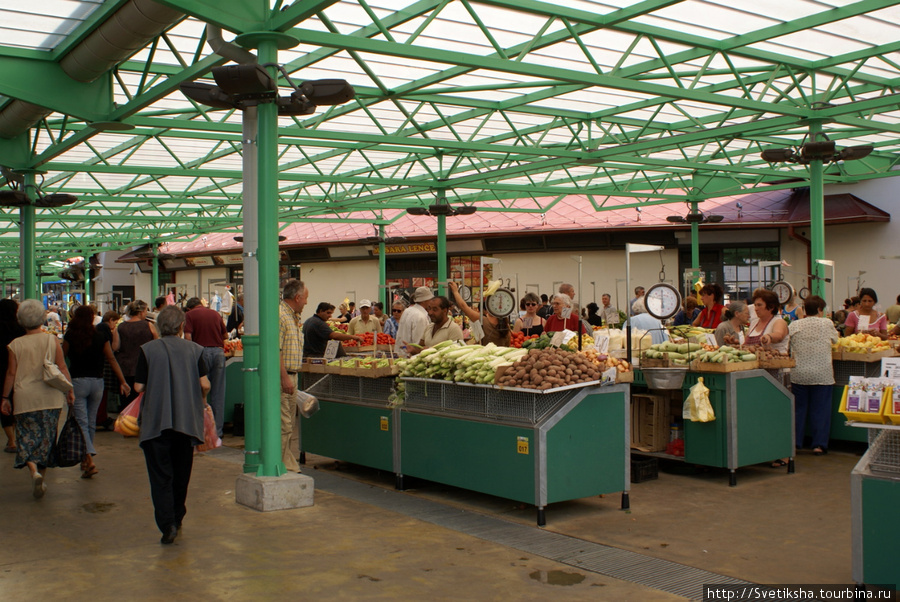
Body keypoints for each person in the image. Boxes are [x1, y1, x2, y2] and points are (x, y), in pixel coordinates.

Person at [134, 305, 210, 545]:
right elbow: (205, 384)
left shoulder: (147, 351)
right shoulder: (195, 350)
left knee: (160, 477)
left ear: (158, 326)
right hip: (185, 422)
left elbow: (138, 387)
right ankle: (177, 517)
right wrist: (202, 399)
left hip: (156, 423)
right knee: (181, 475)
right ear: (181, 327)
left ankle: (167, 524)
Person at [1, 299, 75, 499]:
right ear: (43, 318)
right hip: (49, 398)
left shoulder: (14, 345)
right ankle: (41, 476)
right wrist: (69, 390)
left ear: (20, 320)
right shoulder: (51, 340)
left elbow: (10, 373)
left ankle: (33, 471)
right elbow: (62, 367)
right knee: (47, 440)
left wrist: (5, 398)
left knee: (26, 437)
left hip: (24, 397)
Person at [63, 305, 130, 479]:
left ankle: (88, 460)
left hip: (78, 382)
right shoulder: (100, 336)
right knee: (91, 422)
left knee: (81, 422)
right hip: (98, 383)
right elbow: (111, 359)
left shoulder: (70, 335)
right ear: (92, 318)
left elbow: (62, 360)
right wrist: (122, 381)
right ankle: (86, 460)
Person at [789, 295, 840, 456]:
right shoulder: (827, 323)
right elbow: (836, 340)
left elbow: (787, 343)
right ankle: (818, 445)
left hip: (799, 373)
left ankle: (796, 442)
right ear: (819, 309)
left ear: (804, 309)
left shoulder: (795, 324)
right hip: (821, 374)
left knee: (798, 409)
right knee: (820, 410)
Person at [184, 297, 227, 438]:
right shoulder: (215, 313)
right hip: (219, 353)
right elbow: (225, 335)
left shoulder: (189, 315)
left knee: (200, 393)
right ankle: (217, 433)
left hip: (200, 353)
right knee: (218, 394)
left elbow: (188, 338)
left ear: (189, 308)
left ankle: (201, 432)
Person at [278, 279, 308, 474]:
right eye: (305, 298)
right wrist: (284, 378)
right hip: (284, 378)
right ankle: (279, 465)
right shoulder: (280, 316)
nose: (306, 302)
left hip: (291, 376)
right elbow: (276, 350)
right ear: (297, 297)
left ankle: (287, 462)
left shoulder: (294, 318)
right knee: (284, 424)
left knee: (289, 424)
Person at [116, 300, 159, 408]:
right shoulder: (149, 325)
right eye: (145, 311)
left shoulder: (120, 327)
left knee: (127, 400)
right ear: (140, 312)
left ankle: (127, 422)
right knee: (143, 400)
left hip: (124, 368)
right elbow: (156, 344)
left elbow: (115, 347)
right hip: (145, 367)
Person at [448, 281, 511, 347]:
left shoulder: (483, 320)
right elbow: (507, 345)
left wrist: (455, 292)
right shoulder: (506, 325)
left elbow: (463, 306)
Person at [0, 299, 24, 454]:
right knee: (16, 403)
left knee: (3, 404)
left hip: (1, 368)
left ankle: (12, 440)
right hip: (19, 368)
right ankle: (17, 437)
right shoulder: (21, 328)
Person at [96, 310, 121, 431]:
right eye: (115, 323)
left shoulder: (98, 328)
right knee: (102, 393)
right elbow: (112, 349)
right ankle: (100, 417)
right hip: (103, 366)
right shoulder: (105, 330)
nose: (114, 326)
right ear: (110, 320)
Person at [394, 287, 433, 357]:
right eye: (430, 299)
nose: (431, 302)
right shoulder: (421, 317)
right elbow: (418, 343)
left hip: (400, 354)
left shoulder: (407, 311)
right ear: (424, 301)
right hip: (411, 357)